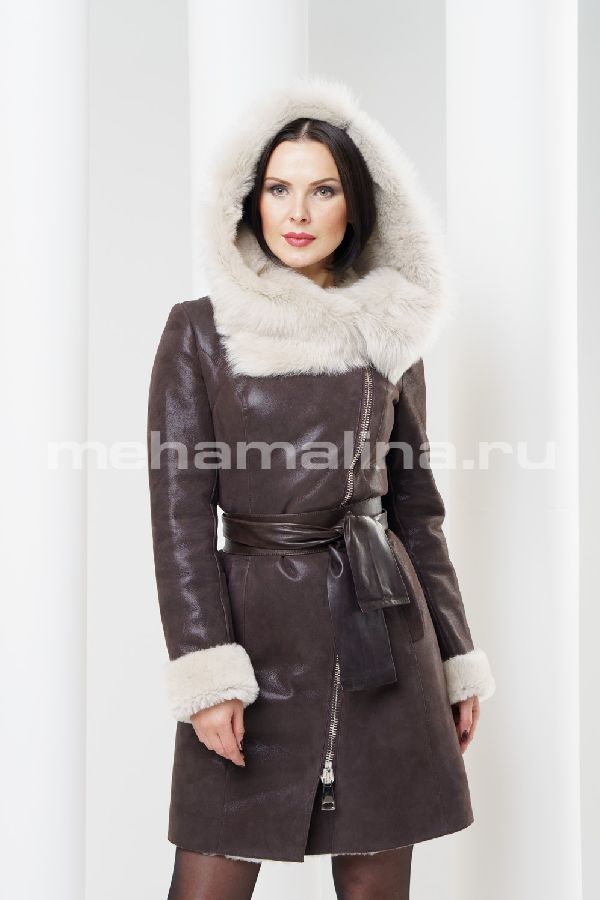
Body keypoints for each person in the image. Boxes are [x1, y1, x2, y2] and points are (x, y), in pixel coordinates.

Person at [146, 75, 496, 900]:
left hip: (384, 632)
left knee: (376, 886)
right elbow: (179, 517)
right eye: (278, 188)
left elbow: (417, 511)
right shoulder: (200, 330)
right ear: (250, 200)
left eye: (323, 189)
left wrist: (454, 657)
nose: (297, 212)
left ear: (357, 205)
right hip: (254, 636)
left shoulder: (391, 330)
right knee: (207, 882)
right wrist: (208, 672)